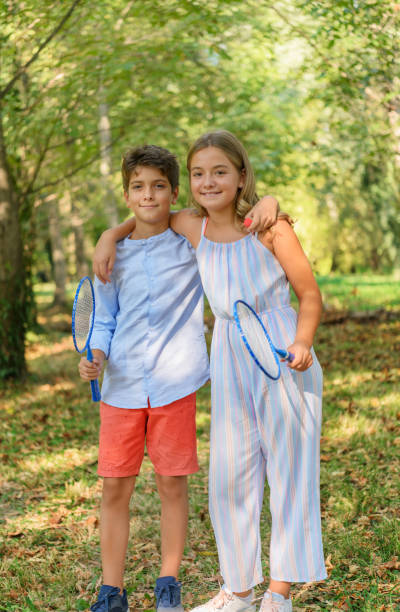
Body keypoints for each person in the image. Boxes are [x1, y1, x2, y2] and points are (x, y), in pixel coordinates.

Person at [93, 131, 326, 612]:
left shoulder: (270, 228)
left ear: (241, 176)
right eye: (198, 173)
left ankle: (278, 592)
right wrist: (107, 235)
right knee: (230, 477)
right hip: (228, 355)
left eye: (220, 171)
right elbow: (145, 213)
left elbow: (309, 294)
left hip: (279, 349)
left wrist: (302, 341)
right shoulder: (192, 227)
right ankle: (238, 589)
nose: (207, 181)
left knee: (287, 472)